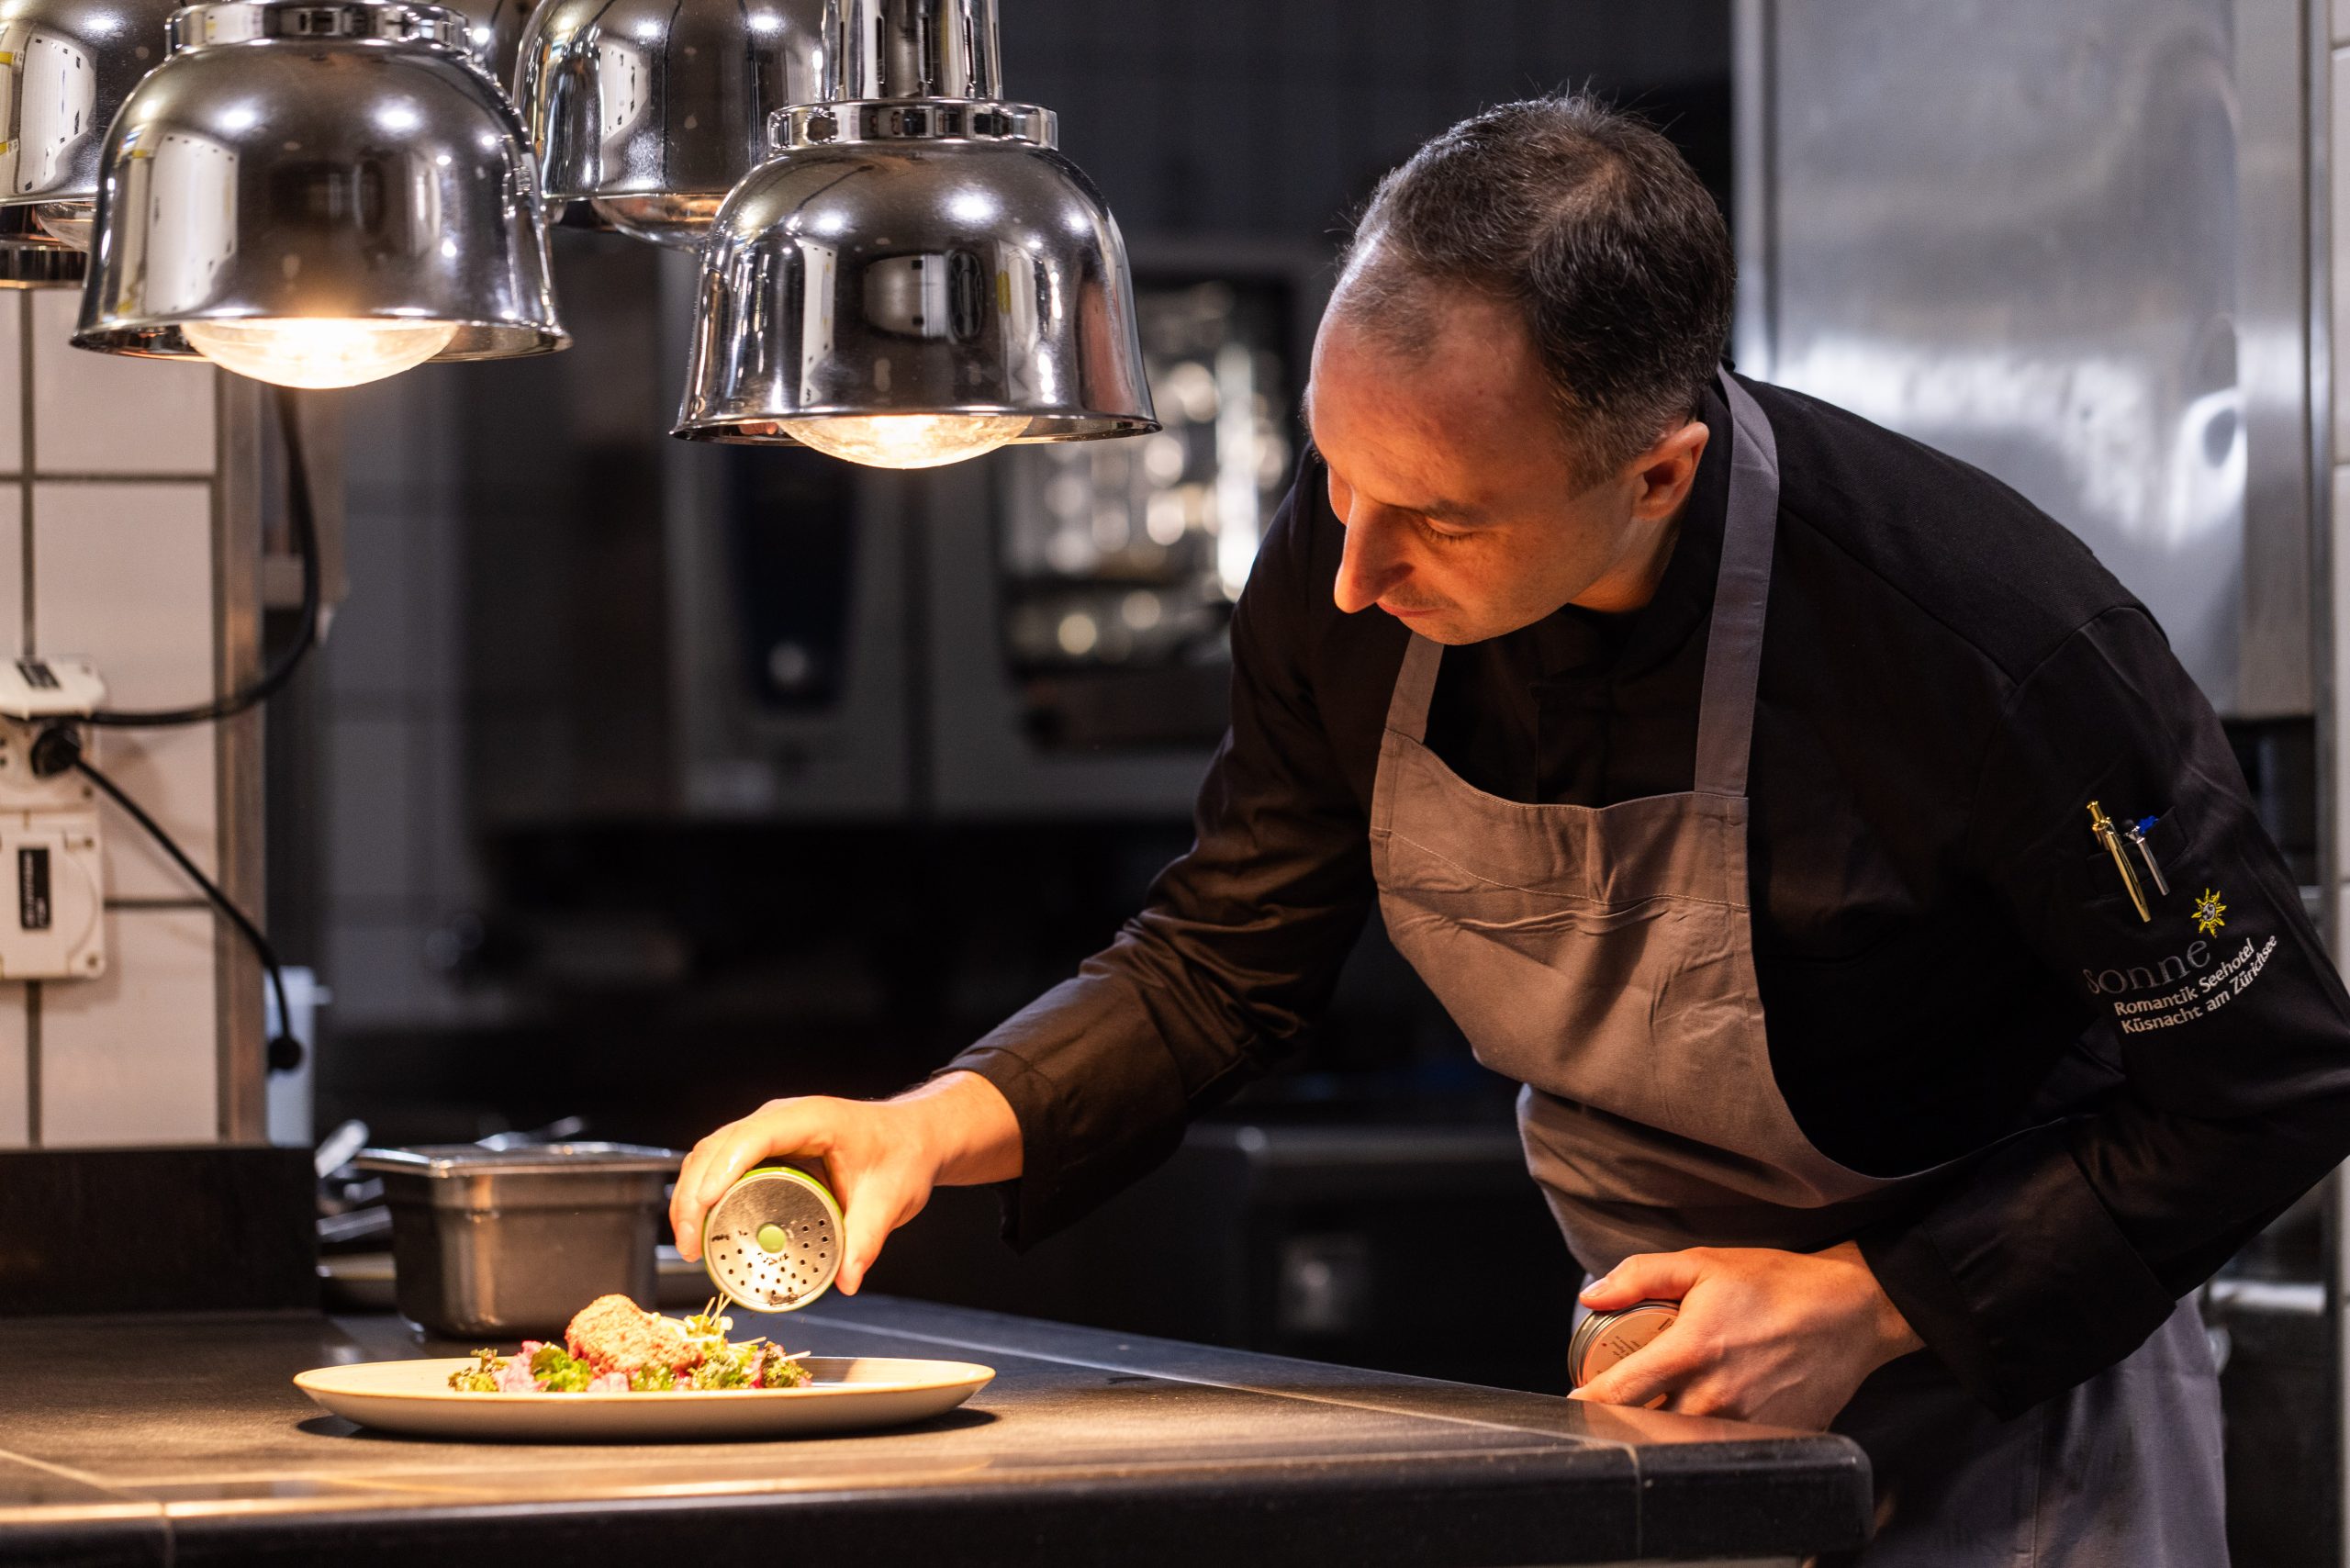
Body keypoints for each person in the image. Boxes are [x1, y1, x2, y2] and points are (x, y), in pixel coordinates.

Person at [671, 95, 2350, 1563]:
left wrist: (1869, 1303)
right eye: (1334, 477)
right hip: (1655, 1400)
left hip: (2007, 1393)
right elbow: (1223, 956)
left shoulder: (1986, 648)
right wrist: (929, 1126)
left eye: (1437, 519)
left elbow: (2274, 1084)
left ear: (1655, 478)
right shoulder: (1355, 545)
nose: (1352, 574)